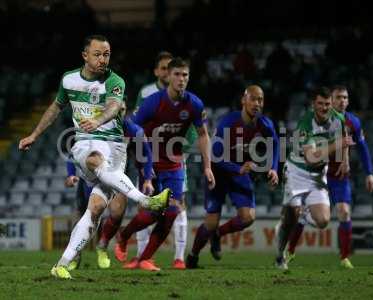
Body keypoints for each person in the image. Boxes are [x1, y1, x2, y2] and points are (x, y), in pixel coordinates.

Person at [19, 35, 170, 279]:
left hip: (116, 148)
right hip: (86, 142)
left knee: (96, 208)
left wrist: (98, 120)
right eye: (98, 54)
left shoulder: (115, 80)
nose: (103, 59)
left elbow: (113, 105)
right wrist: (34, 134)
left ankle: (62, 264)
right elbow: (56, 107)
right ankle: (146, 201)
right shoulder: (69, 80)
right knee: (93, 158)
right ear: (85, 55)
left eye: (107, 54)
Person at [114, 57, 215, 271]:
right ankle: (124, 235)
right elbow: (131, 128)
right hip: (151, 163)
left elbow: (203, 135)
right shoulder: (153, 102)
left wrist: (207, 166)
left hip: (175, 164)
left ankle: (145, 259)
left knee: (171, 212)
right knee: (152, 212)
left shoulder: (194, 104)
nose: (181, 79)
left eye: (185, 75)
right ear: (168, 76)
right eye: (177, 74)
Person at [185, 85, 280, 269]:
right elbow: (215, 158)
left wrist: (274, 169)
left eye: (260, 100)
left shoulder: (265, 124)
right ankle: (193, 255)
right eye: (253, 99)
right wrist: (238, 169)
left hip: (239, 172)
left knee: (248, 217)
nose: (257, 103)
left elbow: (275, 145)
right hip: (219, 173)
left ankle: (218, 235)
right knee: (210, 223)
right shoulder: (227, 123)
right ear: (243, 101)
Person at [285, 85, 373, 269]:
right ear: (331, 101)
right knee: (309, 217)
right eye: (338, 98)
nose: (342, 101)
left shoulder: (352, 122)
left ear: (348, 101)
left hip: (337, 176)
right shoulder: (314, 121)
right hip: (315, 174)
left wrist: (369, 173)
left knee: (344, 211)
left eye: (345, 97)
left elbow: (361, 147)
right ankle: (290, 251)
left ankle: (344, 258)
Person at [275, 86, 354, 270]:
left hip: (318, 175)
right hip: (297, 172)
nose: (324, 108)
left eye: (327, 104)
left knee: (323, 221)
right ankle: (280, 256)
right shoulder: (305, 124)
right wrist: (337, 146)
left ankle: (301, 213)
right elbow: (311, 158)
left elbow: (344, 138)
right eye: (320, 104)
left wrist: (344, 161)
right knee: (290, 220)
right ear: (313, 104)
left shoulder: (338, 118)